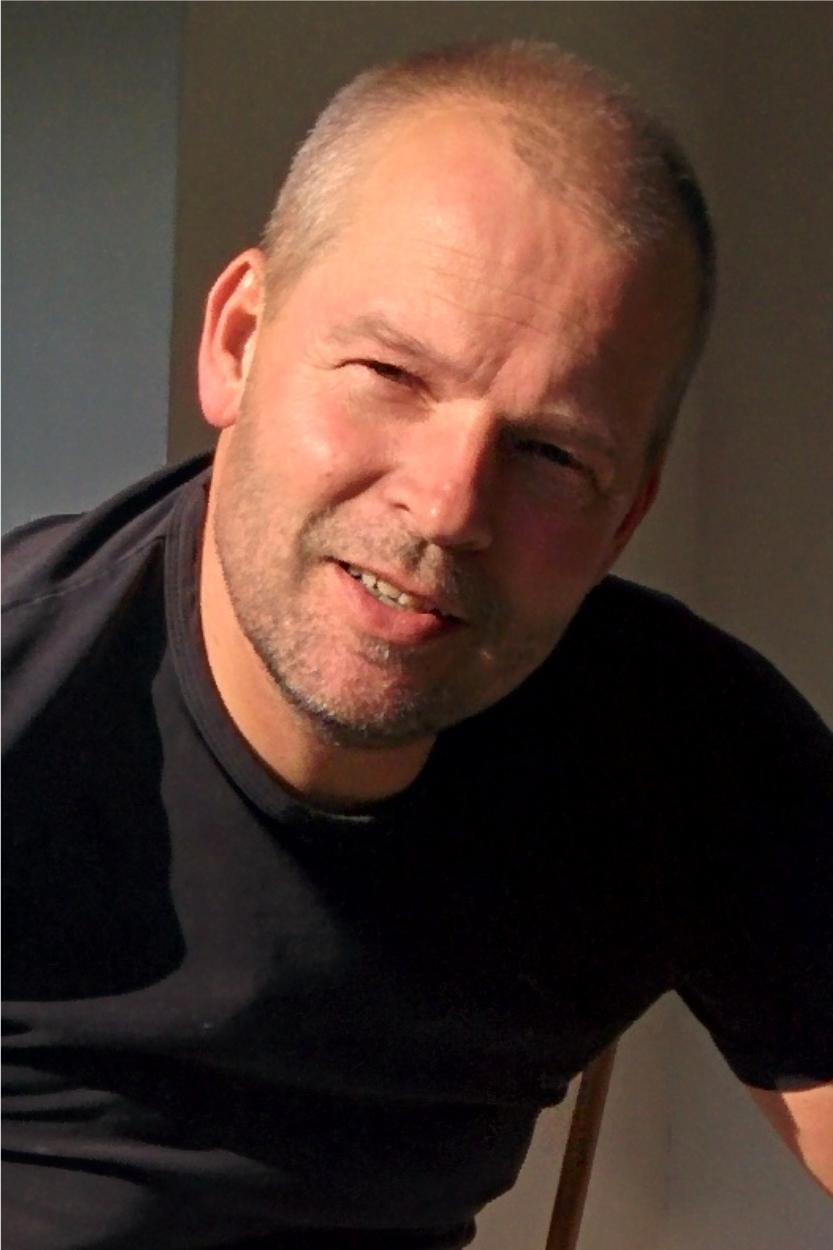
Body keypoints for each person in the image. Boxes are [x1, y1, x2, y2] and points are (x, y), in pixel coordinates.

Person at [3, 39, 831, 1250]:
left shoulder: (687, 757)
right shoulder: (29, 711)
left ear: (625, 513)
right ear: (238, 340)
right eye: (390, 373)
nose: (448, 507)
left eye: (550, 453)